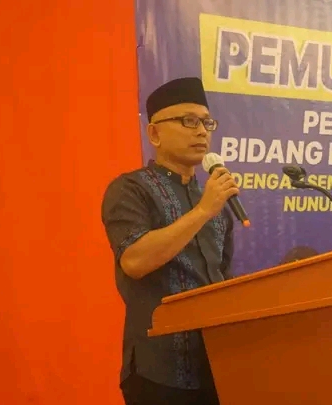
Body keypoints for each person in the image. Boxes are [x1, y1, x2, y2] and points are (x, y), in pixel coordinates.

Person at [101, 77, 238, 405]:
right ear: (154, 134)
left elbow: (223, 277)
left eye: (206, 122)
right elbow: (134, 260)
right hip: (160, 371)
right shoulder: (130, 189)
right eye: (188, 121)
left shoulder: (215, 200)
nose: (201, 131)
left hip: (219, 365)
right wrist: (202, 211)